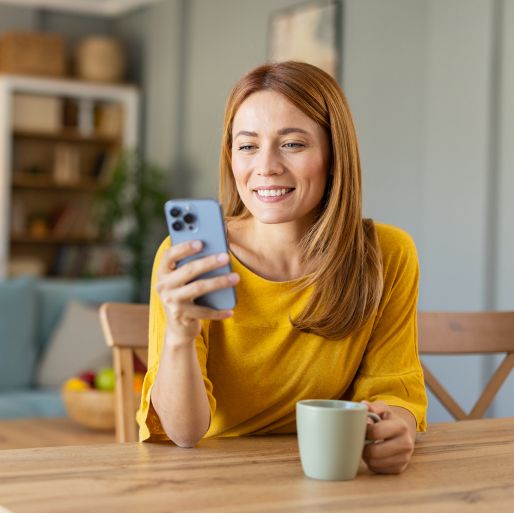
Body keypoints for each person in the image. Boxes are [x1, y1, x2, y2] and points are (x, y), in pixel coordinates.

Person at [138, 61, 427, 475]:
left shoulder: (386, 254)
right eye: (247, 145)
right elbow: (184, 434)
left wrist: (396, 428)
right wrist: (180, 338)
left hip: (324, 474)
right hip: (207, 477)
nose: (267, 165)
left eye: (292, 144)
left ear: (333, 156)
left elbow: (392, 386)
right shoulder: (189, 255)